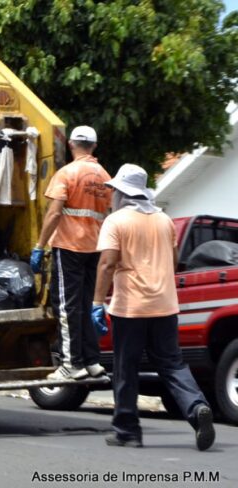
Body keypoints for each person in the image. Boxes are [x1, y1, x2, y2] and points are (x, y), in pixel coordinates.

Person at [92, 164, 215, 450]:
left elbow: (108, 263)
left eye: (115, 192)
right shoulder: (164, 221)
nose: (112, 197)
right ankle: (197, 409)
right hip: (165, 305)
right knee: (172, 364)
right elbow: (172, 263)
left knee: (126, 367)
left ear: (122, 193)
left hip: (131, 308)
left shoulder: (116, 221)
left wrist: (97, 302)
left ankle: (127, 431)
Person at [30, 125, 112, 380]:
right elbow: (107, 215)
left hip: (69, 247)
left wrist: (39, 246)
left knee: (66, 305)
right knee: (87, 305)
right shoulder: (105, 177)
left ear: (71, 144)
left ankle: (70, 364)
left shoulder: (67, 173)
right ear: (94, 147)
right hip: (95, 248)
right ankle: (92, 362)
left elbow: (54, 213)